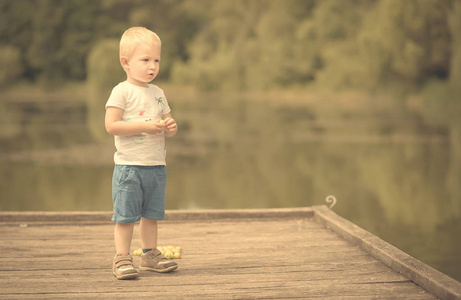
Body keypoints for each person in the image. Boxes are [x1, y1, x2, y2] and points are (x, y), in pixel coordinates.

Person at [105, 27, 178, 280]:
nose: (152, 66)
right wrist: (146, 126)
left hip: (156, 166)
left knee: (151, 215)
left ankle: (149, 255)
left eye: (156, 60)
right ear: (126, 62)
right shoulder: (121, 91)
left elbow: (167, 122)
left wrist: (170, 126)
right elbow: (111, 126)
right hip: (129, 168)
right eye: (145, 60)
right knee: (125, 217)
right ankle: (122, 258)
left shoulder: (158, 93)